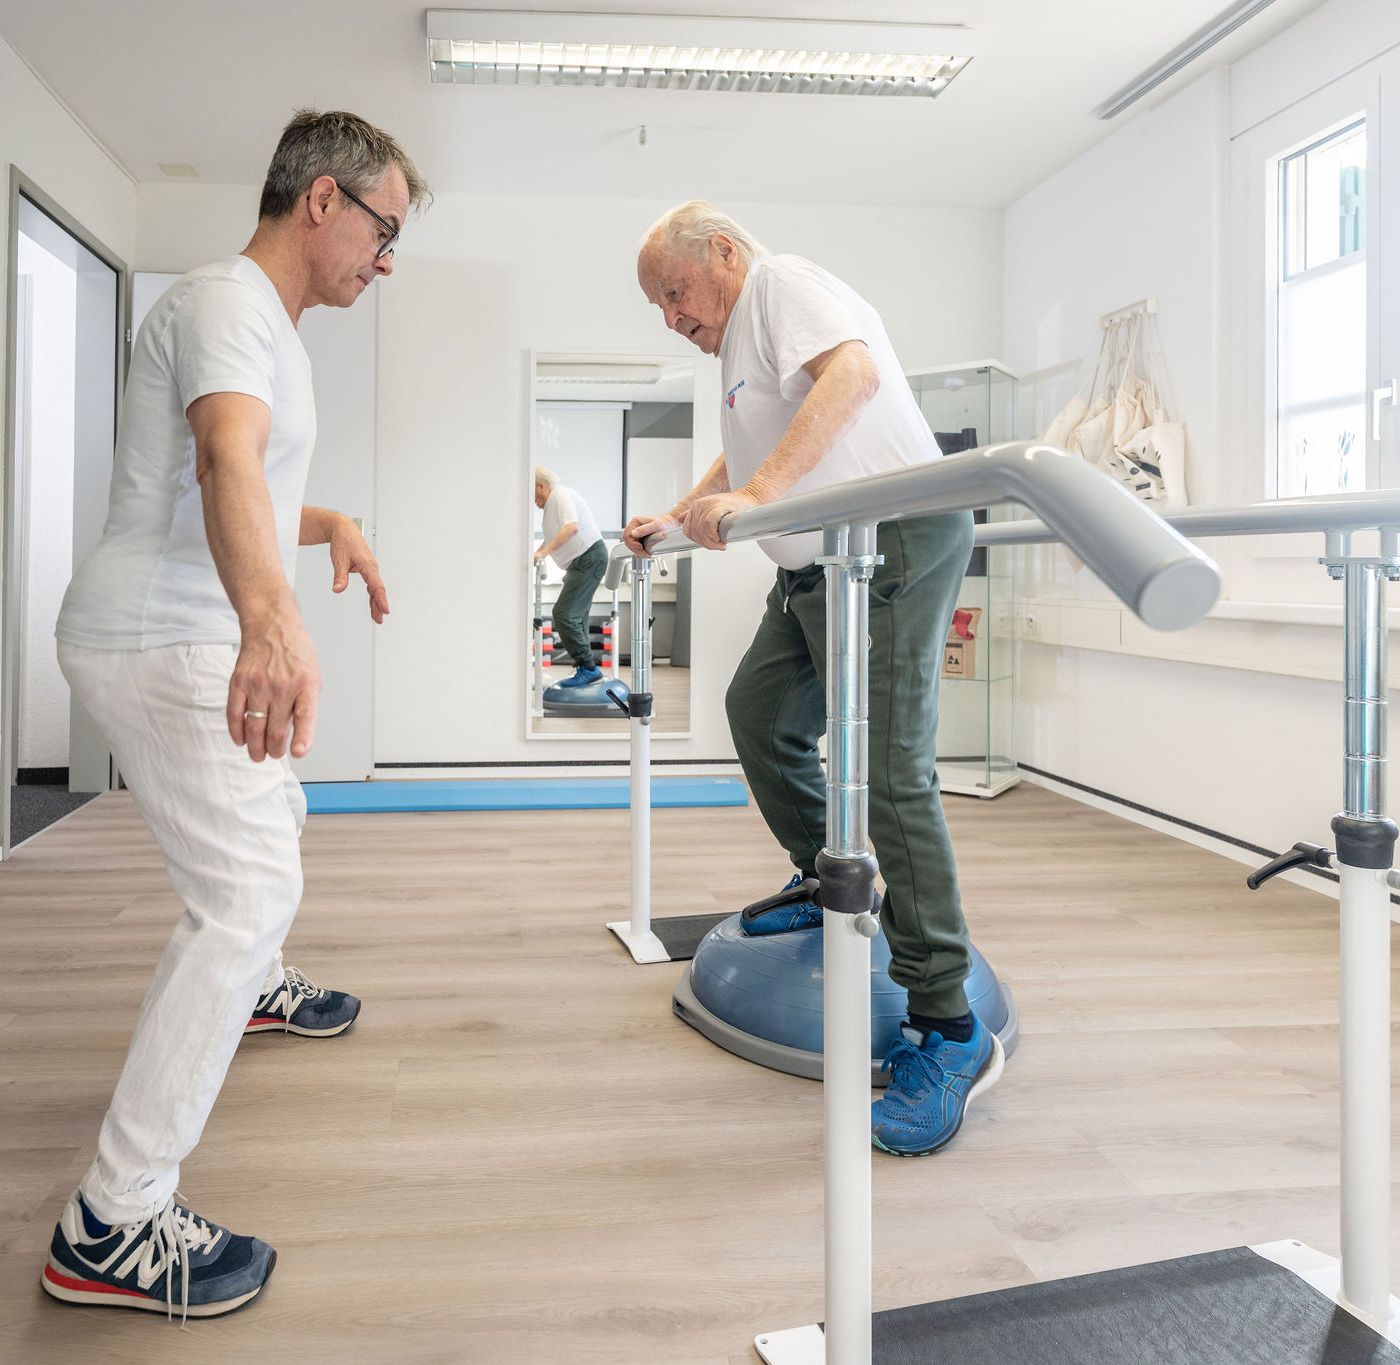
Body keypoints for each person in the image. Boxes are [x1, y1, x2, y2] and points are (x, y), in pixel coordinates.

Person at [40, 109, 430, 1319]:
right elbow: (220, 461)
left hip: (167, 620)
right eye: (384, 228)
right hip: (158, 634)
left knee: (271, 821)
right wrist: (270, 623)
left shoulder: (268, 326)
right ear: (323, 200)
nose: (383, 257)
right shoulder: (226, 303)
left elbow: (241, 482)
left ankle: (250, 982)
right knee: (248, 889)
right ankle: (112, 1220)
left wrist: (328, 523)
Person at [627, 201, 995, 1158]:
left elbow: (855, 376)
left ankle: (948, 1026)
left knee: (890, 769)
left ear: (723, 250)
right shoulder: (741, 341)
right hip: (818, 560)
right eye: (659, 307)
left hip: (893, 539)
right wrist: (684, 512)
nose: (671, 315)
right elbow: (753, 447)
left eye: (674, 292)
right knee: (759, 710)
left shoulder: (780, 283)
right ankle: (825, 871)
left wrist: (752, 498)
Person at [533, 466, 608, 687]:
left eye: (532, 492)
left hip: (589, 558)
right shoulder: (553, 503)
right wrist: (539, 552)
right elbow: (557, 534)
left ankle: (588, 668)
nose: (532, 500)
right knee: (577, 617)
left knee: (564, 614)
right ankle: (585, 669)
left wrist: (543, 553)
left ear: (540, 485)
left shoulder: (560, 494)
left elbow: (571, 528)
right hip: (580, 562)